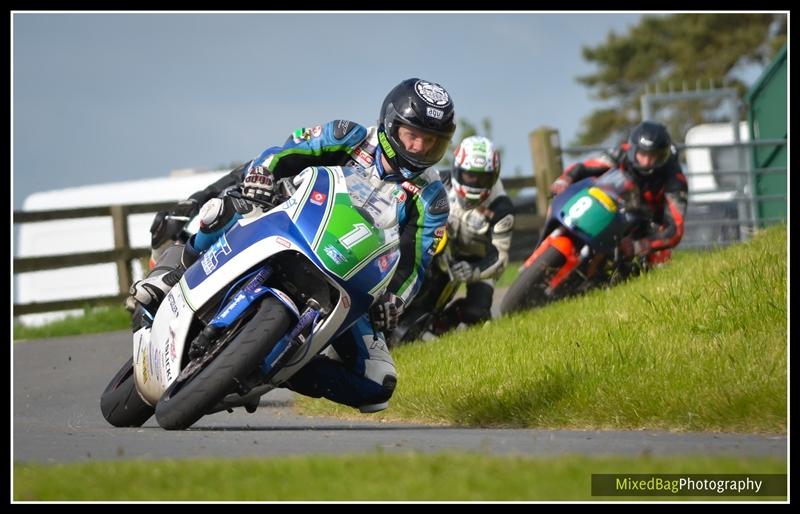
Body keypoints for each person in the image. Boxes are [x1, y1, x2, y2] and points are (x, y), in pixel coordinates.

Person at [128, 78, 455, 413]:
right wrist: (262, 176)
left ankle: (276, 365)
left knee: (378, 386)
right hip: (289, 222)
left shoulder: (432, 199)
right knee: (230, 208)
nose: (418, 148)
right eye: (412, 135)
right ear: (390, 125)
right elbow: (286, 153)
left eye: (430, 142)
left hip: (348, 277)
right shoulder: (349, 136)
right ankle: (175, 274)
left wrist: (394, 300)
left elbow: (415, 264)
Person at [549, 120, 688, 265]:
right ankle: (544, 244)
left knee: (659, 262)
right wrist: (565, 180)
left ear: (662, 157)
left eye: (652, 156)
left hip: (647, 225)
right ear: (634, 149)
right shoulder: (622, 152)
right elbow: (587, 167)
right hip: (615, 208)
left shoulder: (675, 180)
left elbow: (675, 230)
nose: (646, 162)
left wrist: (638, 246)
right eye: (642, 154)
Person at [422, 135, 514, 335]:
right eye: (469, 175)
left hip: (479, 261)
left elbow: (501, 257)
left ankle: (446, 323)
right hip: (440, 249)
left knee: (477, 313)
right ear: (457, 169)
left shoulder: (502, 207)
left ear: (494, 175)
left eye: (482, 177)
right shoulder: (439, 181)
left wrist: (474, 270)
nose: (474, 182)